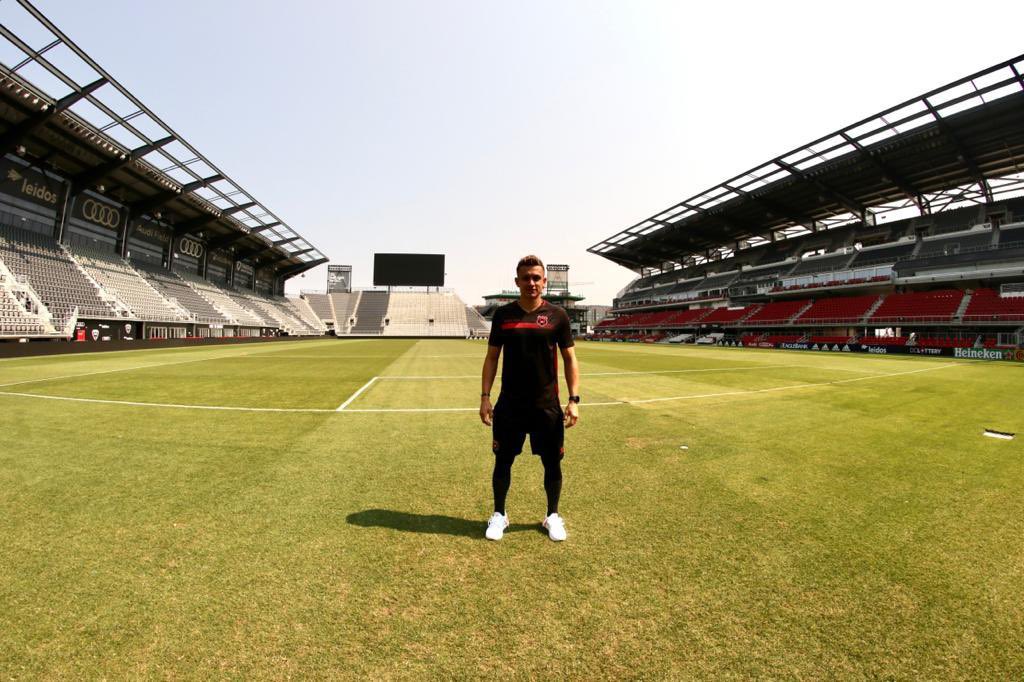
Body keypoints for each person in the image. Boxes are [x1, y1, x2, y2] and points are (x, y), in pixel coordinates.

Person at [479, 255, 580, 541]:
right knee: (503, 461)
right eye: (526, 278)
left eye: (537, 278)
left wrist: (574, 399)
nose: (531, 283)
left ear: (544, 281)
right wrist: (485, 397)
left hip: (547, 406)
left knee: (552, 463)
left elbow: (570, 359)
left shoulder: (558, 316)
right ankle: (499, 515)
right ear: (517, 282)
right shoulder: (503, 315)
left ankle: (552, 516)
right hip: (510, 405)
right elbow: (491, 358)